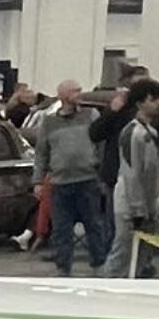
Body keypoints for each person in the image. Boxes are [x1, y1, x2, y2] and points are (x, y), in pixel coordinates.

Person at [32, 79, 106, 276]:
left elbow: (101, 144)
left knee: (94, 225)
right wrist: (38, 181)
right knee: (61, 229)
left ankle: (99, 264)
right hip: (60, 183)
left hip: (88, 180)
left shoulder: (91, 115)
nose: (79, 94)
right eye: (75, 91)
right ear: (63, 95)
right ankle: (63, 267)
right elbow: (42, 153)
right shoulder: (49, 123)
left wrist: (100, 169)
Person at [102, 78, 159, 278]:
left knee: (143, 256)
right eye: (153, 99)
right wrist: (137, 210)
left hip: (148, 203)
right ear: (140, 102)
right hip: (130, 205)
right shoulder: (132, 133)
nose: (157, 103)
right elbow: (131, 172)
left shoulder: (150, 132)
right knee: (122, 254)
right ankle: (106, 291)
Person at [90, 65, 150, 251]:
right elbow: (95, 134)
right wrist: (112, 111)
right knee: (115, 225)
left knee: (146, 225)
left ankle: (142, 264)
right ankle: (114, 269)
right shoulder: (119, 110)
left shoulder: (153, 114)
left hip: (146, 177)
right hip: (116, 175)